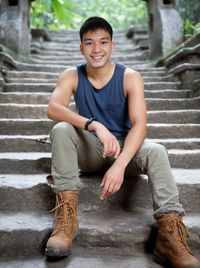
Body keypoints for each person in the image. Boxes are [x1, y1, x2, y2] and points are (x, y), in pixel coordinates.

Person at [45, 17, 200, 267]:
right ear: (81, 48)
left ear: (113, 46)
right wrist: (94, 124)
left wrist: (119, 165)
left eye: (103, 42)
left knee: (157, 151)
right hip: (91, 149)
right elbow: (53, 108)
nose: (97, 49)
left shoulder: (130, 76)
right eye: (90, 43)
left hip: (125, 151)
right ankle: (66, 221)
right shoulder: (71, 75)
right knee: (62, 128)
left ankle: (169, 235)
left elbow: (140, 125)